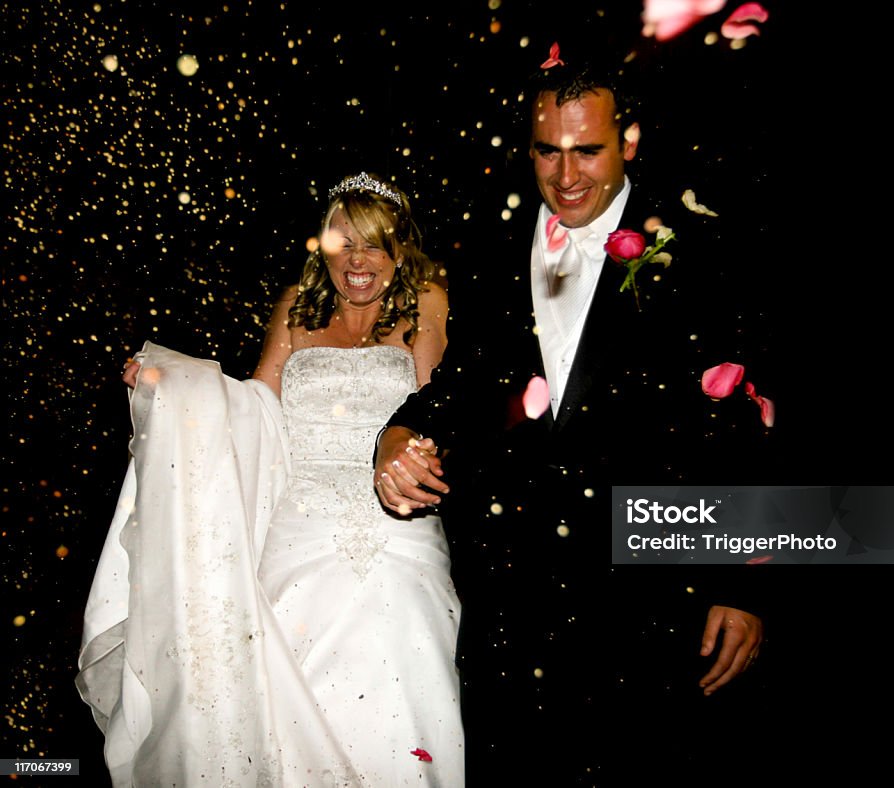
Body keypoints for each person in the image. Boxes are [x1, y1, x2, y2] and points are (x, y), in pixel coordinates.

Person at [374, 54, 771, 783]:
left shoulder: (700, 245)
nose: (565, 176)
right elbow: (468, 381)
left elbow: (740, 421)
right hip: (509, 589)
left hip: (648, 593)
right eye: (547, 152)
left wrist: (742, 586)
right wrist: (396, 432)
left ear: (629, 141)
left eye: (587, 150)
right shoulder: (492, 244)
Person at [77, 173, 465, 787]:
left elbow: (441, 406)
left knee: (402, 687)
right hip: (299, 531)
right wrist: (173, 387)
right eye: (344, 243)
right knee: (280, 699)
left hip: (397, 526)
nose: (358, 260)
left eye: (373, 243)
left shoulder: (428, 301)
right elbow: (256, 407)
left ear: (399, 249)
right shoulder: (295, 307)